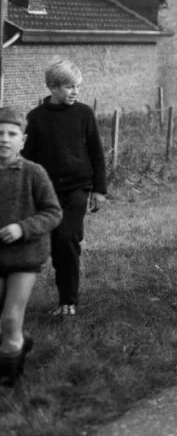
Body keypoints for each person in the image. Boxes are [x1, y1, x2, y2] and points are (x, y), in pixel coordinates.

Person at [23, 59, 106, 317]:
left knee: (65, 238)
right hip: (47, 192)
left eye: (77, 86)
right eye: (69, 87)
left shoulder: (84, 114)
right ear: (53, 87)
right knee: (58, 245)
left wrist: (100, 190)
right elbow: (28, 160)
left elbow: (96, 153)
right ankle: (61, 300)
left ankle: (69, 302)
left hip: (77, 190)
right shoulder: (35, 119)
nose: (75, 92)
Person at [0, 107, 62, 386]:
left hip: (25, 257)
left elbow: (53, 213)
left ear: (22, 141)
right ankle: (15, 346)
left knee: (11, 317)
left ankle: (11, 379)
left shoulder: (33, 173)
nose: (4, 139)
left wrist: (22, 228)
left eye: (12, 134)